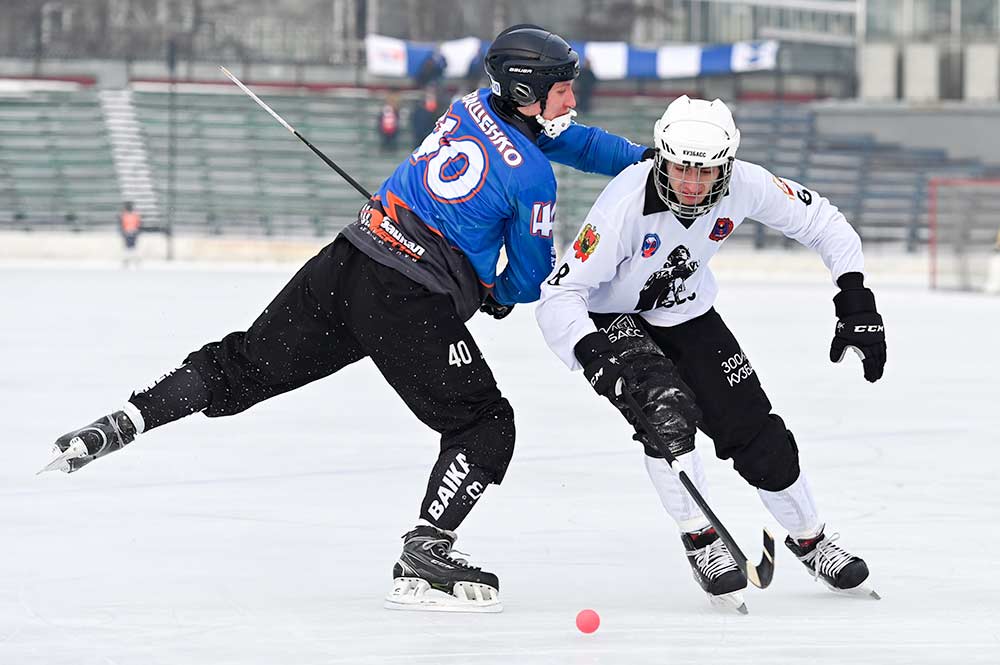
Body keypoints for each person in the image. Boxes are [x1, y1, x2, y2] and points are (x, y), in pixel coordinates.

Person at [43, 25, 651, 613]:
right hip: (409, 303)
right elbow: (525, 278)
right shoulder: (533, 178)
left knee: (246, 365)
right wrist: (493, 292)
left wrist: (639, 160)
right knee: (485, 425)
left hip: (348, 260)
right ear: (526, 92)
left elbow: (574, 141)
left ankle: (128, 418)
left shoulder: (472, 106)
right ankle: (426, 548)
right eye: (562, 89)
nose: (573, 99)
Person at [535, 96, 886, 613]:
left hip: (689, 315)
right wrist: (593, 356)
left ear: (728, 165)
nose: (692, 186)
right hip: (615, 320)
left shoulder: (746, 183)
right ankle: (701, 540)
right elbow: (559, 295)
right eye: (680, 169)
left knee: (756, 432)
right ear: (661, 159)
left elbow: (824, 223)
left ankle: (811, 540)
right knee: (665, 415)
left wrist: (855, 298)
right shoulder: (623, 204)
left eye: (707, 173)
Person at [410, 86, 441, 150]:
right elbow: (414, 120)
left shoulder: (439, 107)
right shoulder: (418, 108)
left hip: (431, 136)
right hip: (419, 135)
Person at [119, 201, 141, 268]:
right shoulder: (134, 215)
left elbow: (138, 224)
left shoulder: (125, 215)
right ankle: (131, 260)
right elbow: (138, 225)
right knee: (131, 247)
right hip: (131, 232)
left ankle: (129, 260)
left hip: (129, 232)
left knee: (129, 247)